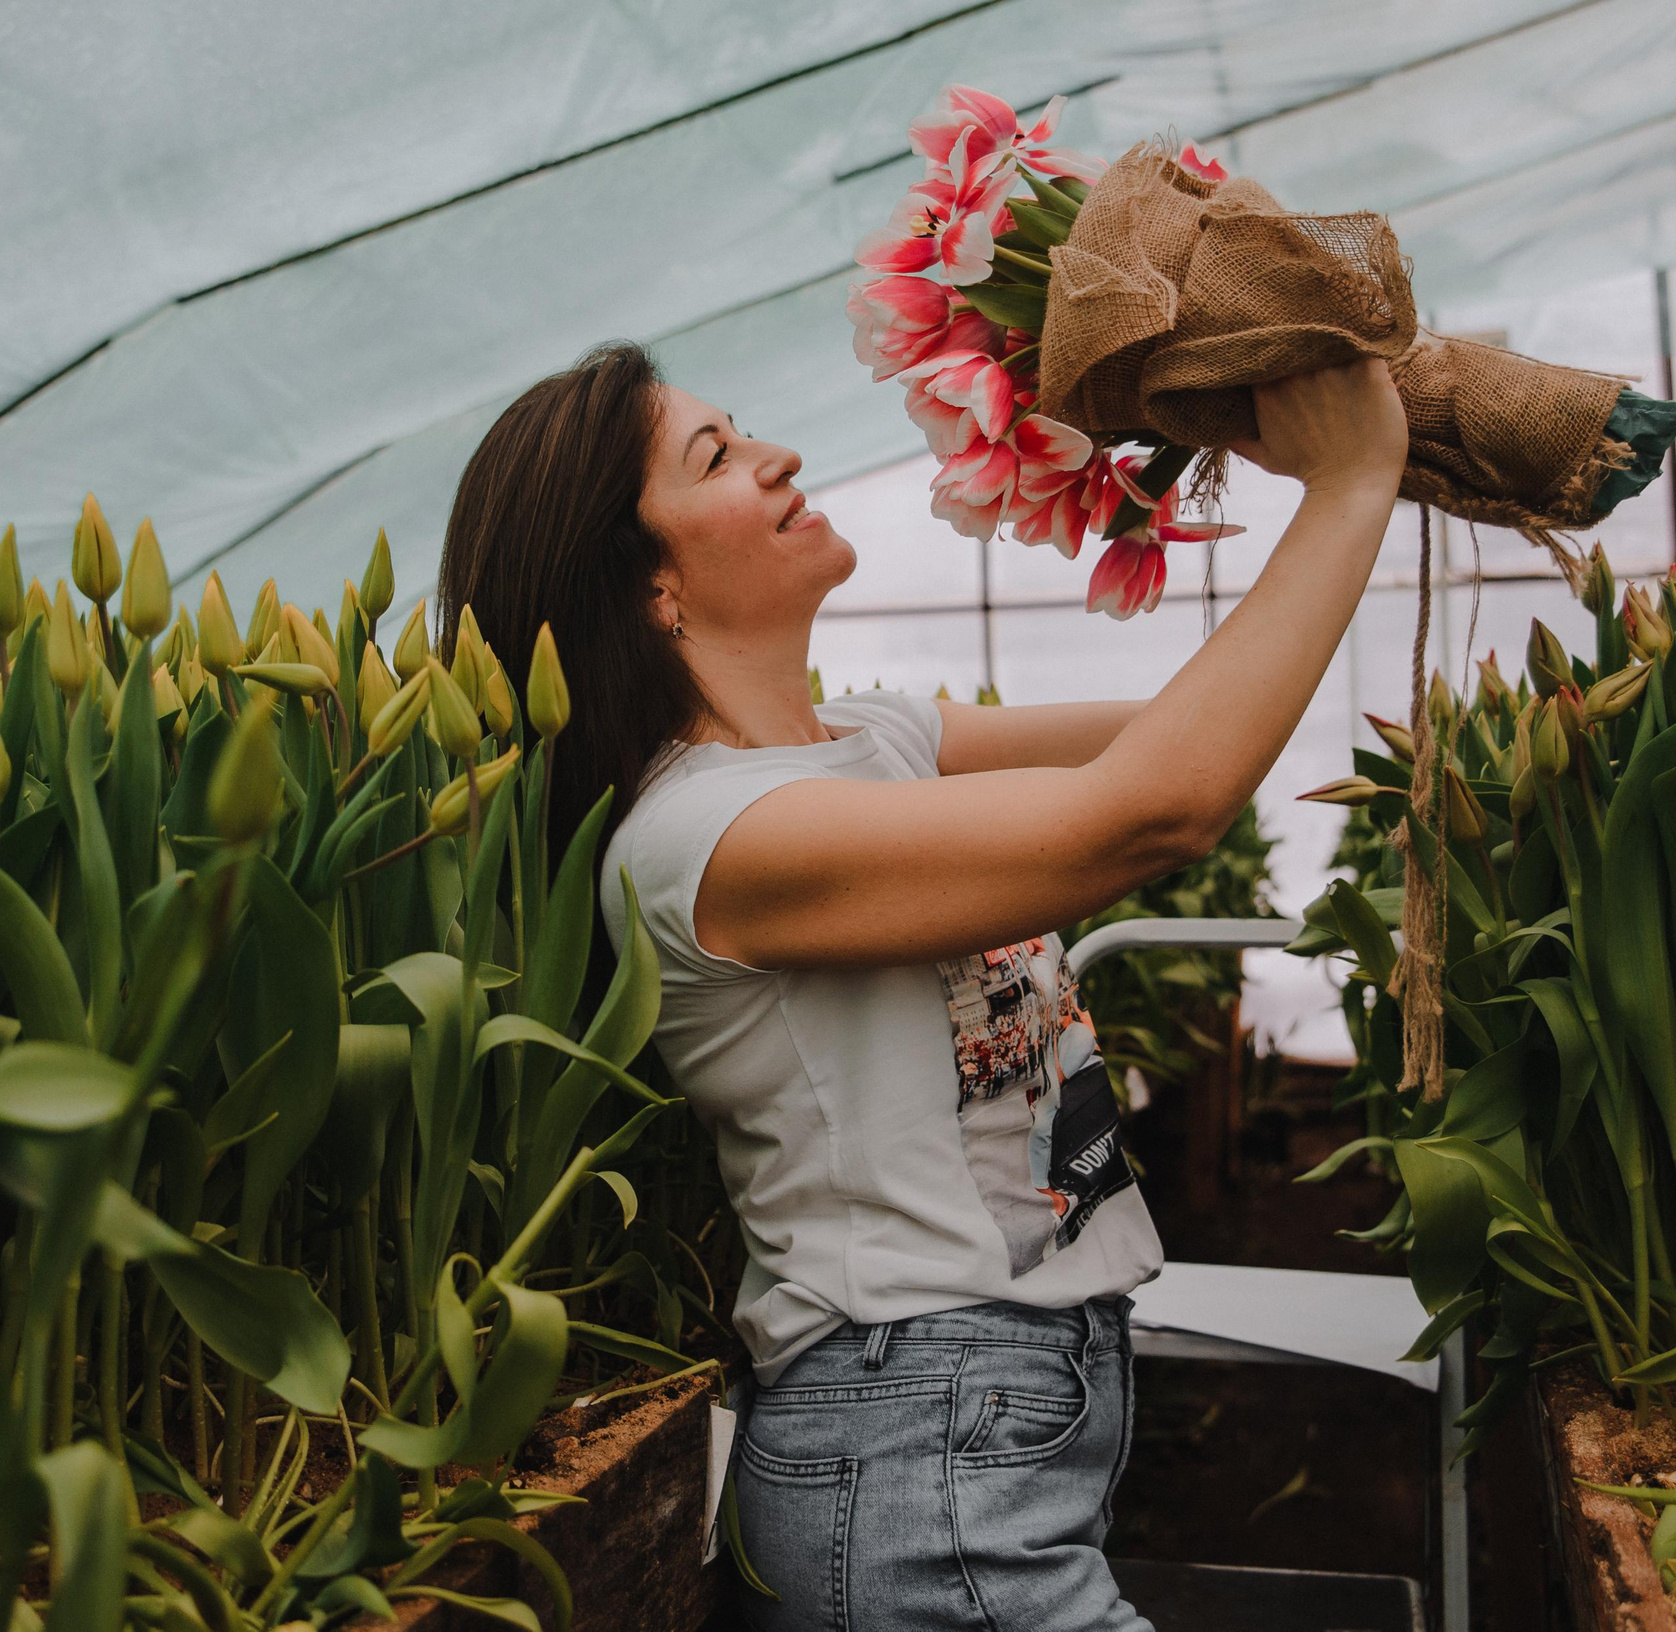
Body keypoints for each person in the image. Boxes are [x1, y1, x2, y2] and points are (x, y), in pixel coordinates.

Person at [438, 342, 1409, 1631]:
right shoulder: (705, 840)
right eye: (714, 457)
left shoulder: (877, 740)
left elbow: (1185, 727)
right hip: (912, 1438)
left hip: (989, 1411)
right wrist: (1349, 490)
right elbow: (1153, 810)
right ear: (652, 587)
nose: (775, 453)